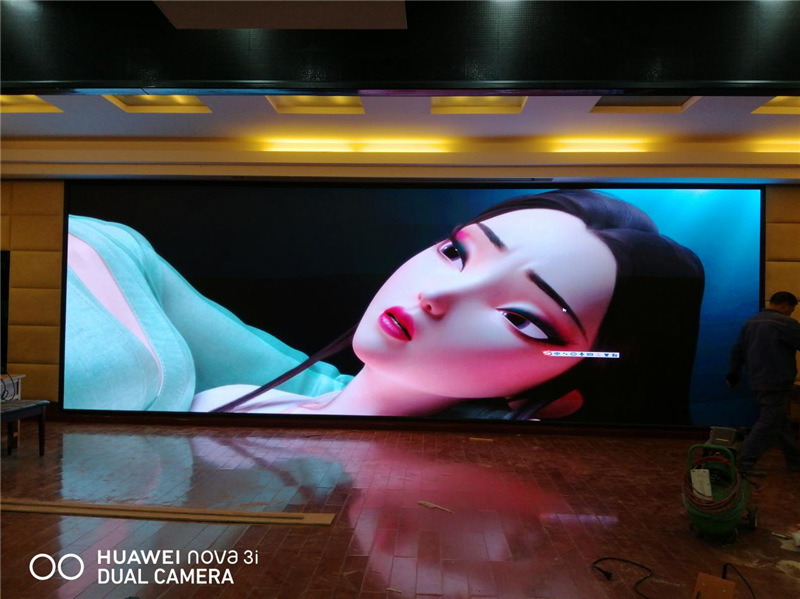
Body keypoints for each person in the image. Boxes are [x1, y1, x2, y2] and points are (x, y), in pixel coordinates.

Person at [66, 190, 705, 423]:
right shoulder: (264, 391)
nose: (439, 295)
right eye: (457, 252)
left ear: (562, 394)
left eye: (522, 318)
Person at [727, 291, 800, 472]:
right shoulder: (786, 323)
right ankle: (744, 461)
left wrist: (733, 375)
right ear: (784, 305)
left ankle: (795, 461)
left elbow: (737, 351)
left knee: (779, 422)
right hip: (777, 380)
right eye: (792, 308)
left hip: (757, 379)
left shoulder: (750, 322)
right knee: (768, 422)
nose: (791, 312)